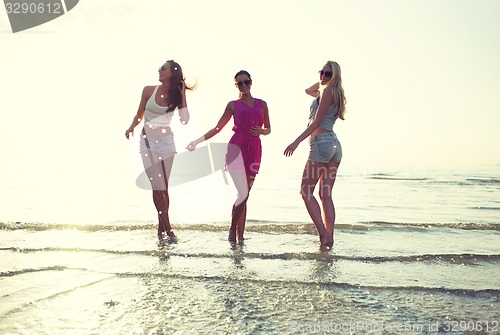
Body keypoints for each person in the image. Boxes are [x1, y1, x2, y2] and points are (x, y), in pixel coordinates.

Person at [187, 70, 271, 243]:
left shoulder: (262, 104)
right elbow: (218, 128)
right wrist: (197, 141)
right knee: (243, 192)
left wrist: (262, 131)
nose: (244, 86)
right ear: (236, 86)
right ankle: (232, 230)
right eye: (240, 83)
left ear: (251, 82)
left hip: (255, 149)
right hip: (236, 148)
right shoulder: (233, 105)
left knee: (245, 195)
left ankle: (240, 236)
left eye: (246, 82)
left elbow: (269, 128)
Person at [125, 60, 194, 241]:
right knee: (156, 186)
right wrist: (131, 126)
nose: (160, 70)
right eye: (160, 68)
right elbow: (139, 114)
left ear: (173, 73)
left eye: (164, 68)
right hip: (147, 142)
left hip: (166, 143)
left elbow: (185, 120)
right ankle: (169, 230)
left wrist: (183, 96)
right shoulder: (148, 90)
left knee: (163, 188)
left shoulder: (176, 96)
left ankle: (160, 228)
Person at [284, 61, 346, 250]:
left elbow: (316, 122)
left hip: (321, 144)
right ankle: (329, 240)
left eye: (328, 74)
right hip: (335, 145)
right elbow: (307, 91)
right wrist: (323, 81)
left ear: (335, 76)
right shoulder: (335, 92)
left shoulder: (328, 92)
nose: (323, 76)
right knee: (325, 194)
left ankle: (323, 234)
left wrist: (296, 141)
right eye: (322, 72)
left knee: (305, 191)